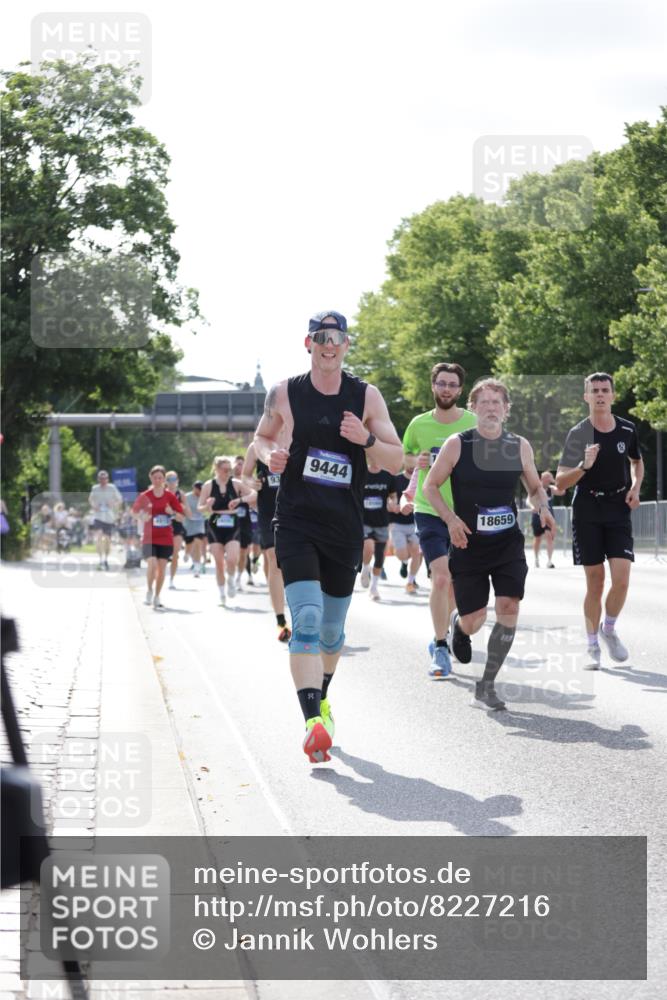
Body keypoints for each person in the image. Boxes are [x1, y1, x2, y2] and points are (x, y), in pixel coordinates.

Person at [253, 310, 403, 763]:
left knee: (333, 633)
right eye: (321, 337)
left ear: (346, 345)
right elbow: (260, 438)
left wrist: (364, 441)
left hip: (343, 529)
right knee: (308, 621)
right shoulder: (284, 392)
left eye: (336, 338)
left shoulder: (366, 396)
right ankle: (312, 722)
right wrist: (269, 456)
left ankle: (322, 700)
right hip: (296, 522)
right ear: (309, 343)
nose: (329, 344)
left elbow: (396, 460)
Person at [423, 378, 555, 710]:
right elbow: (430, 487)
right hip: (468, 544)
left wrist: (542, 507)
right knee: (475, 619)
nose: (491, 408)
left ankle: (489, 682)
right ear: (473, 408)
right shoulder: (458, 444)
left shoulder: (519, 445)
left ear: (506, 410)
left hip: (507, 543)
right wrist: (451, 520)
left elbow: (534, 487)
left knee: (509, 607)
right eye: (485, 402)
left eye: (498, 403)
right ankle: (458, 625)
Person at [556, 372, 643, 668]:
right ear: (586, 397)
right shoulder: (578, 434)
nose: (600, 395)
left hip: (618, 506)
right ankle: (592, 644)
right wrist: (584, 465)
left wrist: (635, 486)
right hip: (588, 508)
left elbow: (636, 461)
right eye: (594, 391)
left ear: (613, 395)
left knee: (621, 580)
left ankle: (609, 629)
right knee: (596, 582)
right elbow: (561, 482)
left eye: (605, 390)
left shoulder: (627, 429)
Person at [402, 363, 477, 676]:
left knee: (456, 585)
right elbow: (403, 461)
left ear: (460, 391)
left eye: (452, 385)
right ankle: (440, 647)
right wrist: (414, 462)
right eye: (441, 383)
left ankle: (454, 627)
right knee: (441, 577)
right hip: (430, 510)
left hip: (465, 513)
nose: (446, 389)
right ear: (433, 386)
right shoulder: (418, 424)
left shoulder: (473, 421)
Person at [242, 439, 292, 641]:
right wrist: (251, 483)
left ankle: (303, 615)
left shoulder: (296, 436)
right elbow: (245, 475)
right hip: (269, 512)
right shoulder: (256, 446)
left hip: (299, 510)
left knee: (299, 562)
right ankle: (281, 621)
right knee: (274, 559)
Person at [198, 456, 256, 607]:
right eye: (225, 470)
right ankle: (222, 594)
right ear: (217, 469)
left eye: (229, 469)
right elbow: (200, 507)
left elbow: (253, 494)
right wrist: (207, 505)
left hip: (232, 521)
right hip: (216, 521)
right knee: (218, 563)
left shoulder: (236, 484)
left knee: (232, 559)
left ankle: (231, 578)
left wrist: (239, 500)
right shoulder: (208, 486)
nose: (228, 472)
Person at [132, 465, 185, 610]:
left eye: (160, 478)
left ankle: (157, 595)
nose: (157, 480)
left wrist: (171, 513)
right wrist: (142, 516)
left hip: (166, 537)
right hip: (149, 537)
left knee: (161, 569)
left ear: (164, 480)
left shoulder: (170, 497)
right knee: (152, 564)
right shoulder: (145, 495)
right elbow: (134, 512)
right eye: (155, 477)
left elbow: (181, 517)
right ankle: (149, 589)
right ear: (151, 478)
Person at [360, 459, 397, 601]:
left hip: (381, 521)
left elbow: (393, 495)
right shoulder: (362, 473)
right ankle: (364, 568)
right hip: (364, 520)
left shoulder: (388, 475)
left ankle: (374, 587)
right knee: (368, 547)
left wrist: (393, 503)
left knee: (380, 557)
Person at [389, 467, 422, 594]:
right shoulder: (396, 479)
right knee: (402, 553)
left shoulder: (421, 477)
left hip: (415, 523)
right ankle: (404, 562)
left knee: (416, 551)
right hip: (397, 523)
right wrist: (392, 506)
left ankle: (410, 582)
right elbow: (388, 496)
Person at [88, 470, 123, 570]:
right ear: (98, 479)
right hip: (98, 517)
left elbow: (120, 499)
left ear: (108, 479)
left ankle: (106, 560)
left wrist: (113, 504)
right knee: (99, 537)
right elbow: (90, 499)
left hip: (109, 518)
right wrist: (95, 506)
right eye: (101, 479)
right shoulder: (95, 488)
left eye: (105, 479)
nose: (103, 480)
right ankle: (100, 560)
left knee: (107, 540)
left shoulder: (112, 488)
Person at [531, 471, 565, 568]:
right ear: (541, 478)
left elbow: (562, 491)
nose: (547, 480)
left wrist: (554, 481)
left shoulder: (551, 489)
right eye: (546, 478)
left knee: (549, 537)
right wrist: (531, 506)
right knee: (537, 539)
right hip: (537, 516)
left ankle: (549, 561)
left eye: (549, 478)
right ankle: (536, 558)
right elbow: (528, 500)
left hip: (549, 516)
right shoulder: (536, 488)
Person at [232, 455, 254, 589]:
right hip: (229, 522)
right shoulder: (227, 482)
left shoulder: (249, 483)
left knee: (243, 552)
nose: (239, 466)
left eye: (242, 464)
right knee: (231, 552)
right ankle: (230, 573)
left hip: (245, 521)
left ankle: (239, 577)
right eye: (237, 463)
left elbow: (255, 499)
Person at [165, 471, 186, 589]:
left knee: (175, 554)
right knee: (163, 554)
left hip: (177, 525)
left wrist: (179, 511)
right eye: (169, 479)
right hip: (163, 525)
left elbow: (185, 512)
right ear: (165, 482)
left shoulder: (180, 494)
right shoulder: (161, 493)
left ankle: (171, 579)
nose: (172, 482)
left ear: (177, 481)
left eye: (174, 479)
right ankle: (161, 575)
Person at [183, 480, 207, 576]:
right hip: (188, 524)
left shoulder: (204, 497)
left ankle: (197, 567)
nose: (200, 492)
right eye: (199, 490)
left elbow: (207, 509)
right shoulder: (186, 497)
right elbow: (182, 508)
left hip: (200, 524)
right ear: (194, 489)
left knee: (198, 543)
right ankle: (187, 553)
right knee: (190, 544)